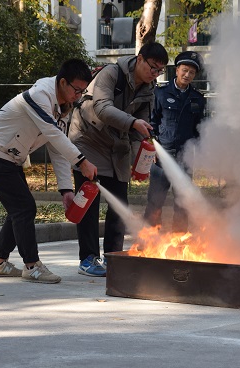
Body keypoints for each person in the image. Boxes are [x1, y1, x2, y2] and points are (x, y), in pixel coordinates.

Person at [0, 58, 98, 284]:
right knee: (24, 207)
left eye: (83, 91)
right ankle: (32, 266)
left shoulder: (64, 107)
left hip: (10, 157)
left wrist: (66, 190)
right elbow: (54, 134)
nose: (79, 96)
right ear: (63, 82)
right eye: (76, 90)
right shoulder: (40, 95)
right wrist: (82, 162)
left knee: (18, 209)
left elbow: (57, 148)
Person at [68, 42, 169, 277]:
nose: (155, 74)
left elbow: (139, 129)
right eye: (153, 67)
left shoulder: (148, 89)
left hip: (116, 145)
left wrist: (142, 157)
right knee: (89, 201)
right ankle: (88, 259)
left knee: (120, 202)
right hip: (88, 140)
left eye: (160, 70)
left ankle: (113, 256)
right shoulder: (111, 73)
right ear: (140, 59)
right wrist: (133, 123)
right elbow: (102, 108)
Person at [143, 51, 207, 233]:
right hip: (161, 156)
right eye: (184, 70)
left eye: (192, 72)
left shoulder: (198, 99)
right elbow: (151, 122)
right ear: (177, 70)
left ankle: (179, 239)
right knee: (155, 200)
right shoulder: (160, 93)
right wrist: (152, 148)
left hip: (185, 157)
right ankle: (149, 238)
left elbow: (199, 129)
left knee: (183, 202)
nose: (187, 75)